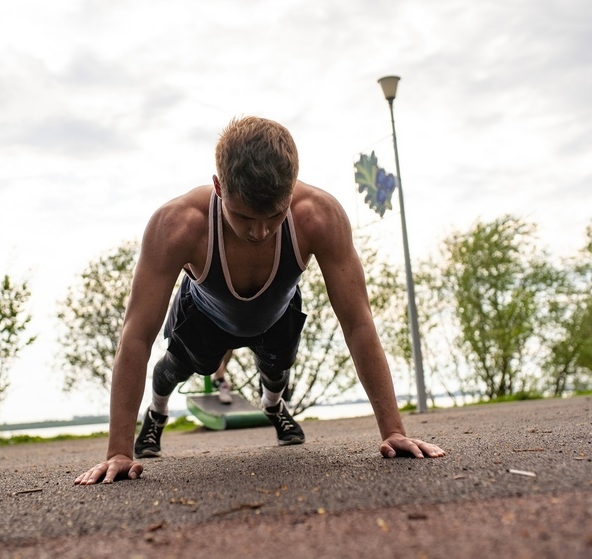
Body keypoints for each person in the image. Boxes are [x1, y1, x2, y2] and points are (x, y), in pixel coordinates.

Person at [75, 116, 445, 486]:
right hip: (204, 314)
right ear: (219, 187)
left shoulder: (318, 215)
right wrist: (118, 452)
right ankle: (156, 416)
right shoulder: (178, 224)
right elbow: (135, 334)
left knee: (278, 367)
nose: (260, 231)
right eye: (245, 216)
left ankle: (273, 404)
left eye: (274, 215)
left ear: (291, 189)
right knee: (181, 366)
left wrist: (393, 431)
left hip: (276, 313)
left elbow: (358, 322)